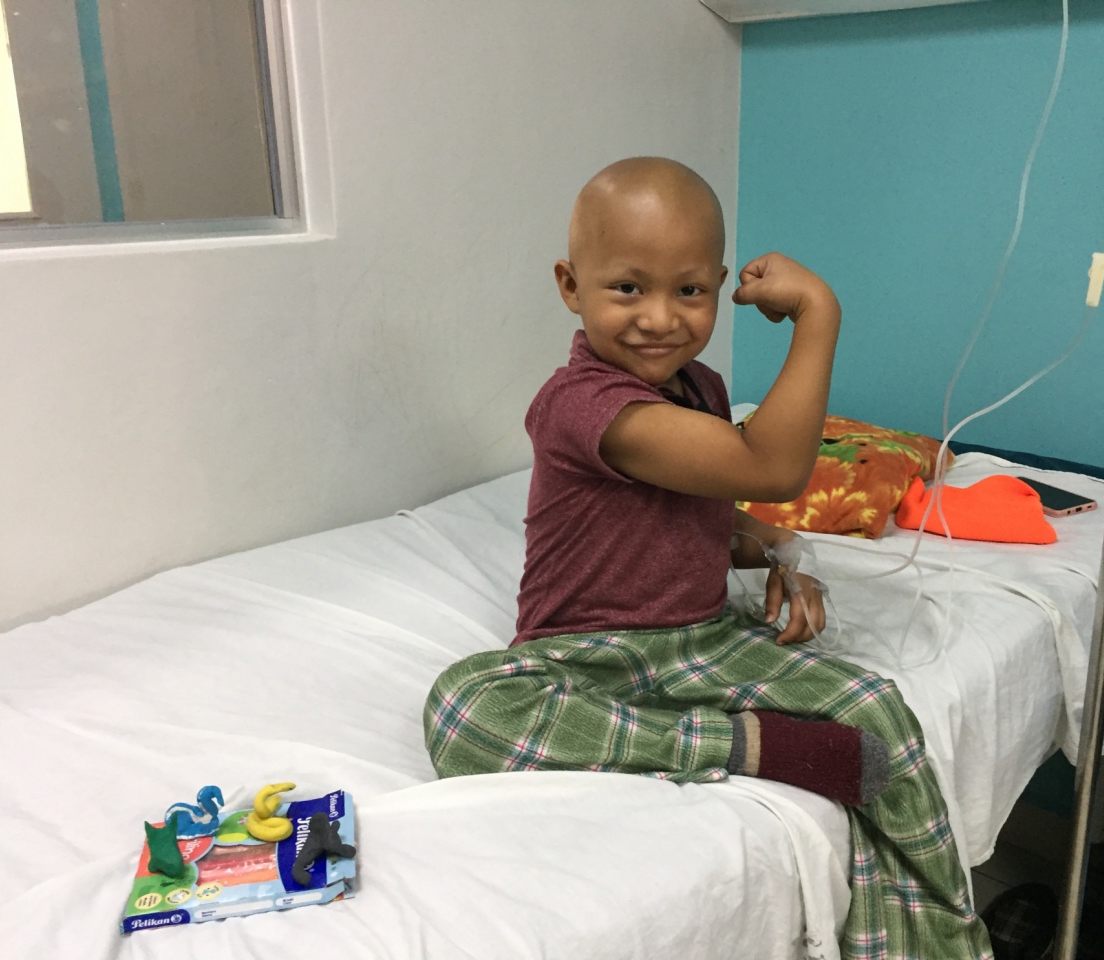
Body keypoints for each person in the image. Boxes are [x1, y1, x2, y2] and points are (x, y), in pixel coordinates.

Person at [424, 157, 991, 958]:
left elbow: (709, 510)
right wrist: (818, 314)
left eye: (689, 291)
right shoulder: (580, 404)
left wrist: (783, 554)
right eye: (628, 288)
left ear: (721, 287)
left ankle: (936, 942)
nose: (660, 318)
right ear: (570, 286)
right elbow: (771, 468)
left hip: (706, 640)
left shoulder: (702, 388)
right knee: (465, 707)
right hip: (585, 658)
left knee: (878, 711)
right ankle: (744, 745)